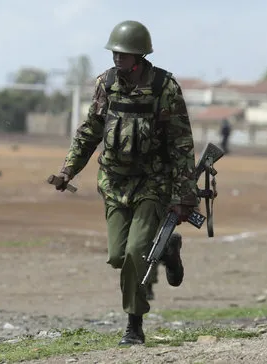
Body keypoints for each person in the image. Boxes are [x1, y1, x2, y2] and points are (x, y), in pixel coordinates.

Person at [51, 20, 199, 345]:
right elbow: (90, 130)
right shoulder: (105, 84)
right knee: (118, 255)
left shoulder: (164, 87)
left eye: (125, 53)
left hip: (153, 184)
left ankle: (134, 325)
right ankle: (167, 250)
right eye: (115, 52)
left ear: (140, 55)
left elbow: (181, 144)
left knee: (134, 253)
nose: (118, 59)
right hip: (115, 183)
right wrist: (68, 170)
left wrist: (185, 196)